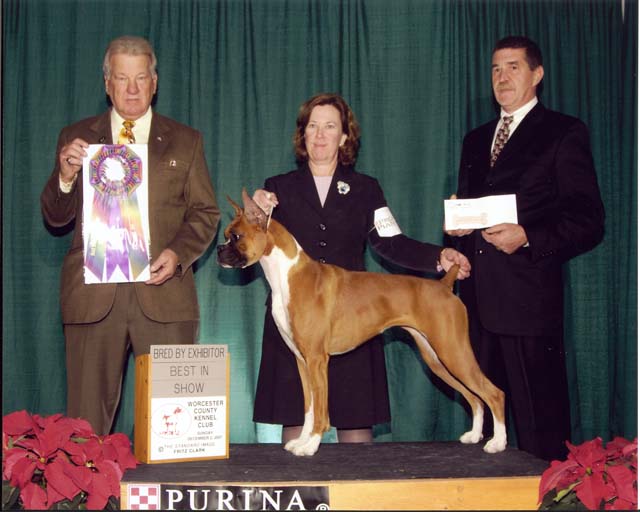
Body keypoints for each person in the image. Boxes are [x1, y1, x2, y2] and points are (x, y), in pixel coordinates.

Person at [252, 92, 471, 444]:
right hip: (296, 317)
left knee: (357, 439)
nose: (320, 135)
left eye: (330, 127)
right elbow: (252, 238)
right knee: (294, 432)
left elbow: (391, 242)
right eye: (312, 126)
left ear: (344, 137)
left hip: (352, 315)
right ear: (302, 134)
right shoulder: (278, 189)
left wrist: (438, 258)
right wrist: (258, 210)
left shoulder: (366, 189)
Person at [40, 36, 220, 436]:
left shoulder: (186, 140)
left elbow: (206, 213)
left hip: (164, 295)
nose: (133, 89)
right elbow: (54, 217)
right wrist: (66, 178)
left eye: (141, 78)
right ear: (107, 83)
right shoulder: (76, 136)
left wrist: (177, 253)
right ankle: (85, 500)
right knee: (83, 429)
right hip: (92, 297)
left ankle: (169, 497)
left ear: (155, 82)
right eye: (122, 78)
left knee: (176, 429)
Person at [446, 36, 604, 461]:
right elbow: (467, 211)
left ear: (537, 74)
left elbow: (588, 220)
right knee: (485, 432)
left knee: (541, 432)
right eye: (497, 69)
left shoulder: (564, 132)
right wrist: (451, 247)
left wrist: (528, 235)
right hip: (476, 302)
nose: (503, 77)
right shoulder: (475, 140)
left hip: (530, 305)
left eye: (514, 67)